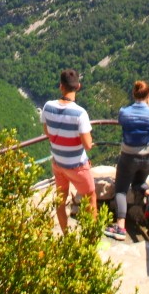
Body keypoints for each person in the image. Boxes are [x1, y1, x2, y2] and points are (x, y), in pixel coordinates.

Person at [105, 80, 149, 241]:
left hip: (128, 156)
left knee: (121, 189)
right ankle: (148, 193)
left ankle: (120, 226)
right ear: (148, 94)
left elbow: (123, 124)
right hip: (147, 156)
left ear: (133, 94)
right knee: (138, 182)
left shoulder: (124, 112)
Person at [41, 68, 97, 233]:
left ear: (61, 86)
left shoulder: (48, 107)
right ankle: (91, 240)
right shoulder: (80, 114)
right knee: (90, 198)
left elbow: (47, 132)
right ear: (78, 86)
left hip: (58, 164)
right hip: (77, 166)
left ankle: (66, 236)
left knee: (60, 200)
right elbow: (87, 145)